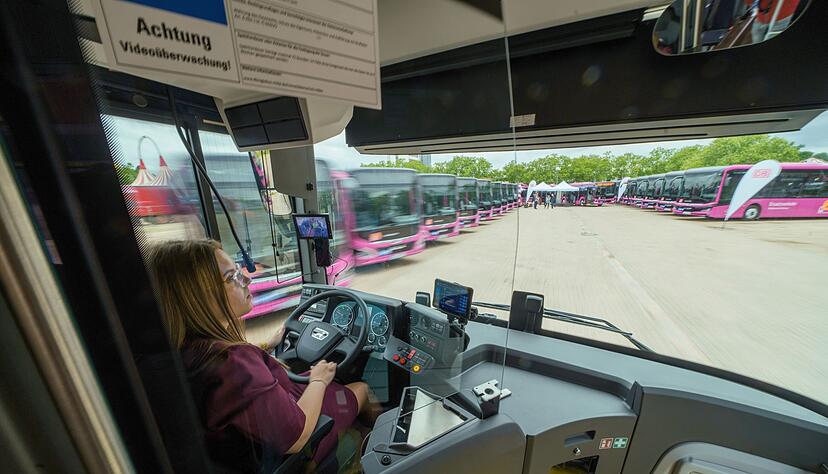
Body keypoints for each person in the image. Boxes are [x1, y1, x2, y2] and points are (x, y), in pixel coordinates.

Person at [146, 239, 374, 472]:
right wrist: (318, 380)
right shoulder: (233, 363)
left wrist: (267, 345)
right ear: (196, 297)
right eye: (231, 277)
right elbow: (298, 437)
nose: (247, 279)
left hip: (266, 426)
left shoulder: (184, 351)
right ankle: (377, 451)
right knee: (362, 389)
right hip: (297, 437)